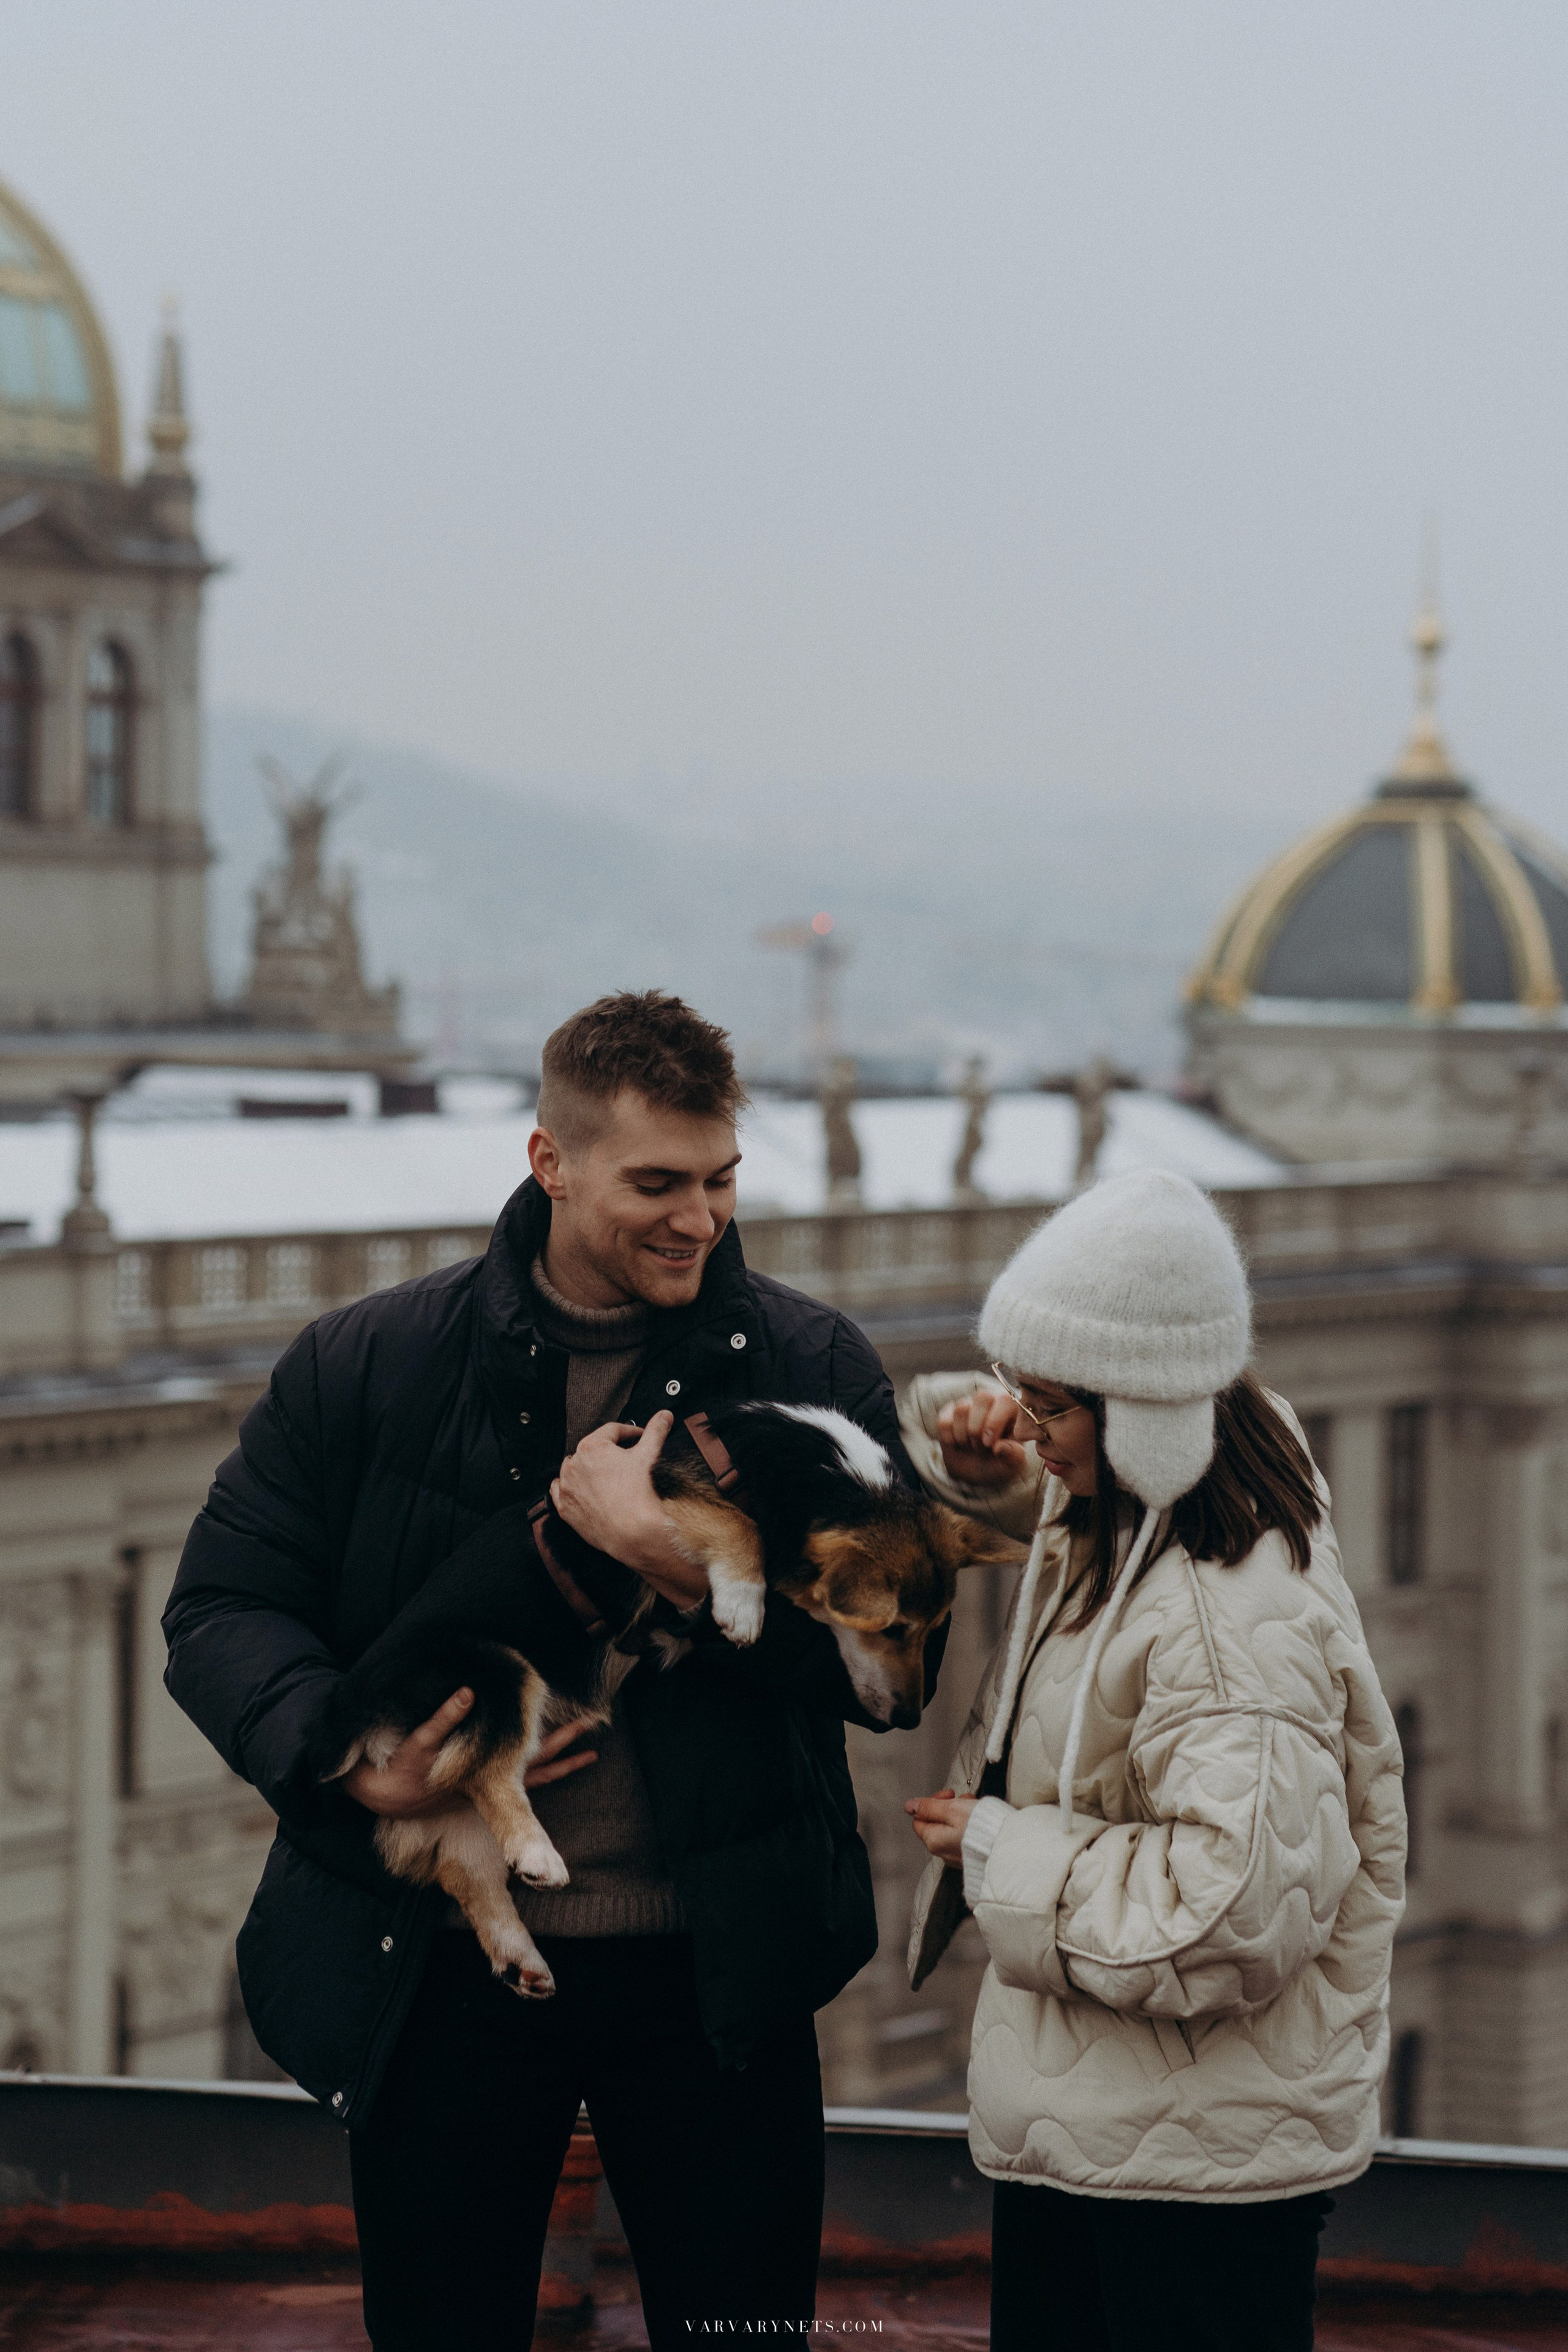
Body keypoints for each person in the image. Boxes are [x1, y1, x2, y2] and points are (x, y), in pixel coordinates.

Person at [164, 990, 941, 2352]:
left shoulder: (817, 1369)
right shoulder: (369, 1362)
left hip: (718, 1977)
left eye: (717, 1181)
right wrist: (356, 1758)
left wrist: (680, 1568)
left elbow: (893, 1682)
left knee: (739, 2342)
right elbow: (222, 1608)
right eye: (654, 1183)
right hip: (440, 1968)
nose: (695, 1219)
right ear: (550, 1164)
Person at [900, 1168, 1405, 2352]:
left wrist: (999, 1850)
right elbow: (1069, 1485)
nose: (1023, 1428)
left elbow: (1231, 1915)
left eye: (1046, 1409)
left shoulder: (1228, 1630)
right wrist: (994, 1466)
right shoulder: (1194, 1475)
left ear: (1145, 1412)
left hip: (1192, 2186)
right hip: (1131, 2139)